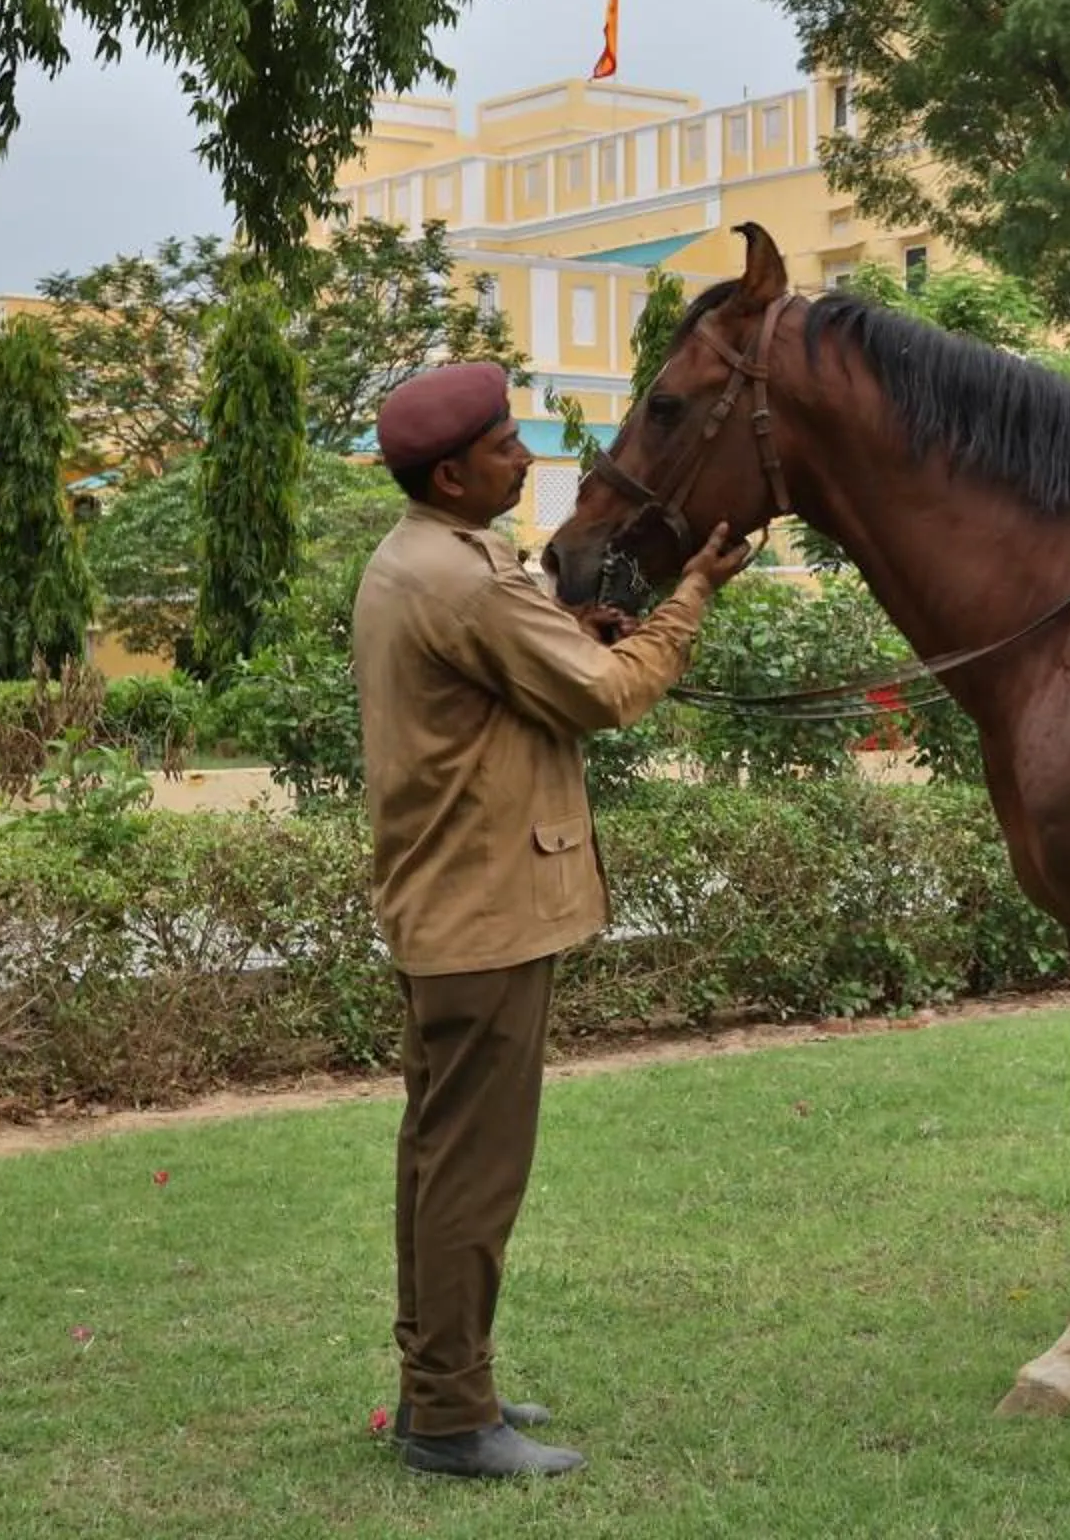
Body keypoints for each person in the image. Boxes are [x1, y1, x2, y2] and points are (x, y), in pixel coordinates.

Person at [351, 361, 752, 1481]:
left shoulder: (418, 558)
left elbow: (513, 678)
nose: (525, 460)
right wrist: (691, 595)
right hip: (486, 917)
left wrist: (573, 628)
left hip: (446, 908)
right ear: (449, 475)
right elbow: (607, 694)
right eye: (502, 447)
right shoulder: (470, 580)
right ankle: (450, 1415)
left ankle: (441, 1383)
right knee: (472, 1175)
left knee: (439, 1161)